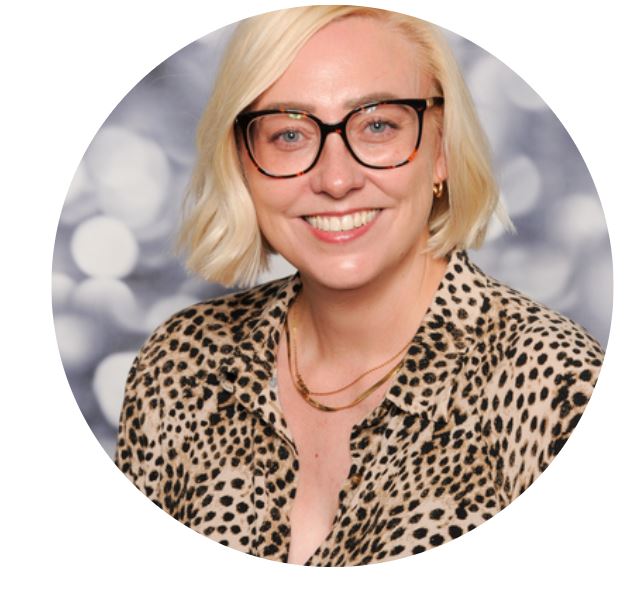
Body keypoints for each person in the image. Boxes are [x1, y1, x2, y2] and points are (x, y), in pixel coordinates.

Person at [115, 5, 604, 566]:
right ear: (243, 162)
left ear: (441, 150)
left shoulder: (559, 384)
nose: (336, 179)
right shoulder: (179, 364)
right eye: (289, 134)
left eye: (377, 126)